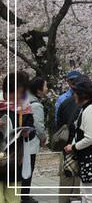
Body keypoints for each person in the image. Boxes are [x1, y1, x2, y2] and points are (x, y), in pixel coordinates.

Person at [65, 78, 92, 203]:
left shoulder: (90, 111)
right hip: (90, 157)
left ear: (83, 95)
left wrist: (73, 147)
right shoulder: (88, 108)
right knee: (85, 194)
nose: (74, 95)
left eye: (76, 93)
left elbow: (89, 138)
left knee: (90, 196)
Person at [0, 72, 34, 203]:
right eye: (14, 93)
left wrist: (27, 133)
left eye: (21, 93)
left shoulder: (26, 110)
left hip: (15, 160)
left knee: (13, 199)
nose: (17, 97)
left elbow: (31, 131)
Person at [55, 77, 83, 203]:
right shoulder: (89, 106)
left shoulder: (64, 102)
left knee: (66, 176)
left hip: (66, 145)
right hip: (80, 147)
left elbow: (58, 123)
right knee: (77, 178)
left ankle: (63, 200)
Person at [21, 77, 48, 203]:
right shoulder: (36, 105)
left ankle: (23, 195)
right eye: (45, 86)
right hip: (31, 143)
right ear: (38, 90)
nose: (47, 89)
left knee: (24, 168)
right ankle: (25, 196)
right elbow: (39, 126)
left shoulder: (25, 101)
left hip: (25, 142)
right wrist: (43, 138)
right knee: (28, 169)